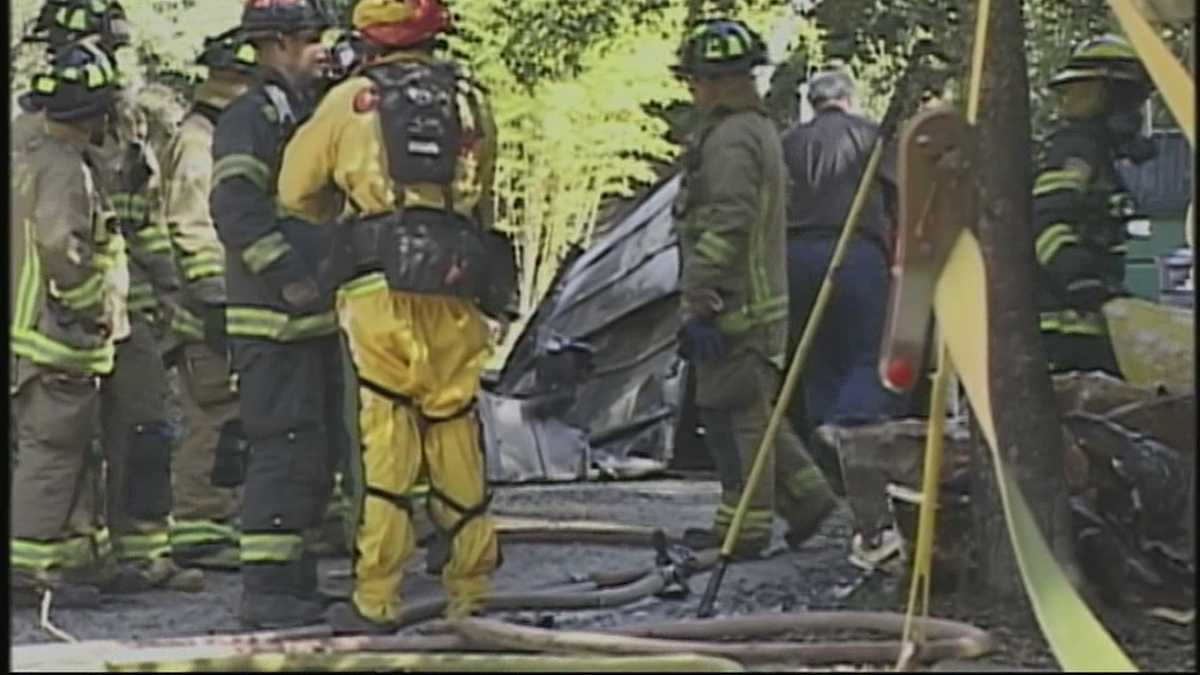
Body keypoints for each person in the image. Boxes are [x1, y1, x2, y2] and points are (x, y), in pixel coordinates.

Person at [277, 0, 514, 634]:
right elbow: (484, 191)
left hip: (379, 286)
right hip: (458, 282)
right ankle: (473, 589)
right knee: (454, 423)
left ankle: (377, 597)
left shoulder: (352, 99)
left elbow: (294, 192)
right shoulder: (472, 100)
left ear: (371, 40)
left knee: (389, 432)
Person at [16, 0, 202, 593]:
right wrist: (88, 300)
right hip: (71, 314)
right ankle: (65, 557)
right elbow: (53, 237)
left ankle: (140, 552)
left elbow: (138, 218)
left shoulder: (128, 124)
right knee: (62, 440)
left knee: (141, 427)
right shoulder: (35, 138)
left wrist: (165, 292)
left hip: (127, 306)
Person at [669, 18, 837, 559]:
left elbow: (729, 220)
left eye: (695, 79)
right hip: (752, 302)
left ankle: (746, 527)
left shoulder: (732, 138)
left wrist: (698, 292)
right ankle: (809, 500)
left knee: (734, 417)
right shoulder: (754, 130)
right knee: (755, 411)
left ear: (717, 81)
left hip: (733, 305)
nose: (692, 90)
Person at [209, 0, 345, 629]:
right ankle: (265, 591)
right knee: (282, 451)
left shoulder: (305, 111)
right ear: (279, 44)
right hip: (273, 317)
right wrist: (289, 276)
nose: (326, 49)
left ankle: (294, 583)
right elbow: (235, 207)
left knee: (311, 455)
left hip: (312, 318)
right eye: (314, 38)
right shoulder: (250, 116)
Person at [10, 40, 128, 609]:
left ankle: (71, 564)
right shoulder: (64, 169)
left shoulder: (29, 156)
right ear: (95, 113)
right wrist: (91, 307)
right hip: (56, 338)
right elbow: (63, 246)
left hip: (36, 335)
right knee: (52, 452)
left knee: (68, 452)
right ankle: (28, 572)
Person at [161, 29, 259, 571]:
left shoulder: (223, 136)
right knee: (213, 413)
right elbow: (190, 228)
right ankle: (199, 523)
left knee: (231, 413)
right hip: (205, 312)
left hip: (227, 301)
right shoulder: (200, 142)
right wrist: (216, 303)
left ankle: (217, 517)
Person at [780, 68, 899, 479]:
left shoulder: (788, 143)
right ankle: (851, 426)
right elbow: (901, 190)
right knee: (869, 351)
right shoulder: (872, 136)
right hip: (856, 250)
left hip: (794, 254)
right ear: (850, 99)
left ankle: (828, 460)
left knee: (815, 355)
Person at [1033, 35, 1155, 375]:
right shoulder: (1077, 151)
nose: (1133, 115)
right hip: (1065, 329)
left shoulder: (1094, 152)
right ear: (1104, 100)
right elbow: (1045, 220)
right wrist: (1080, 279)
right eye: (1129, 102)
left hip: (1083, 322)